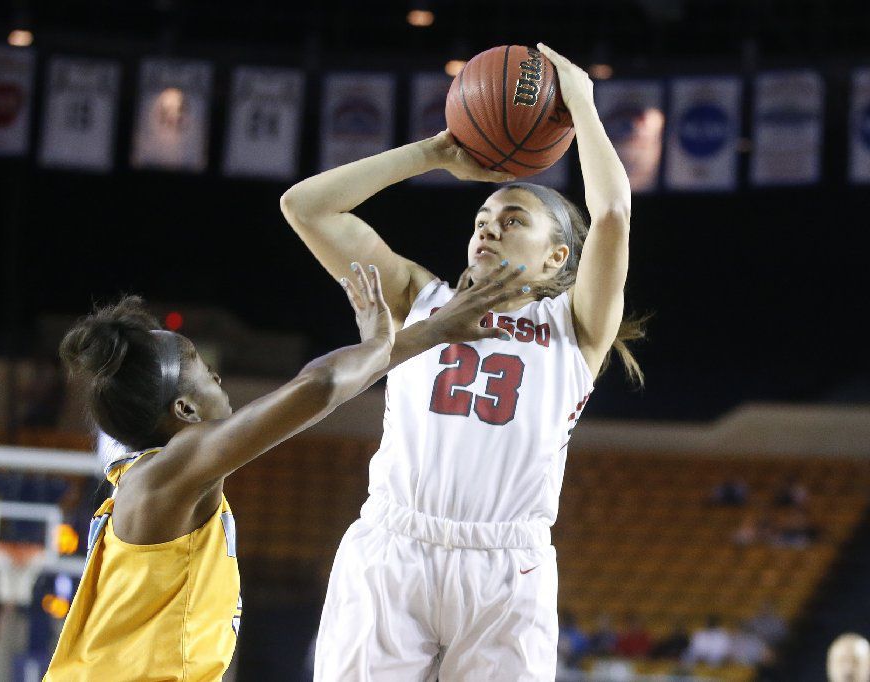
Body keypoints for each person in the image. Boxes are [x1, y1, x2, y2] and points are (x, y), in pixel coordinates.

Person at [281, 43, 644, 680]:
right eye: (481, 216)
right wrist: (434, 153)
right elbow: (306, 206)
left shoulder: (576, 328)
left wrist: (582, 103)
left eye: (512, 218)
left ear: (558, 259)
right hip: (394, 548)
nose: (487, 226)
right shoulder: (417, 298)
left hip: (508, 567)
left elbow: (612, 212)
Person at [43, 266, 525, 681]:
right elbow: (320, 385)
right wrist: (384, 339)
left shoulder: (152, 479)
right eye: (197, 364)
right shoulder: (170, 471)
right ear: (185, 408)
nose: (213, 372)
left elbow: (312, 394)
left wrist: (433, 332)